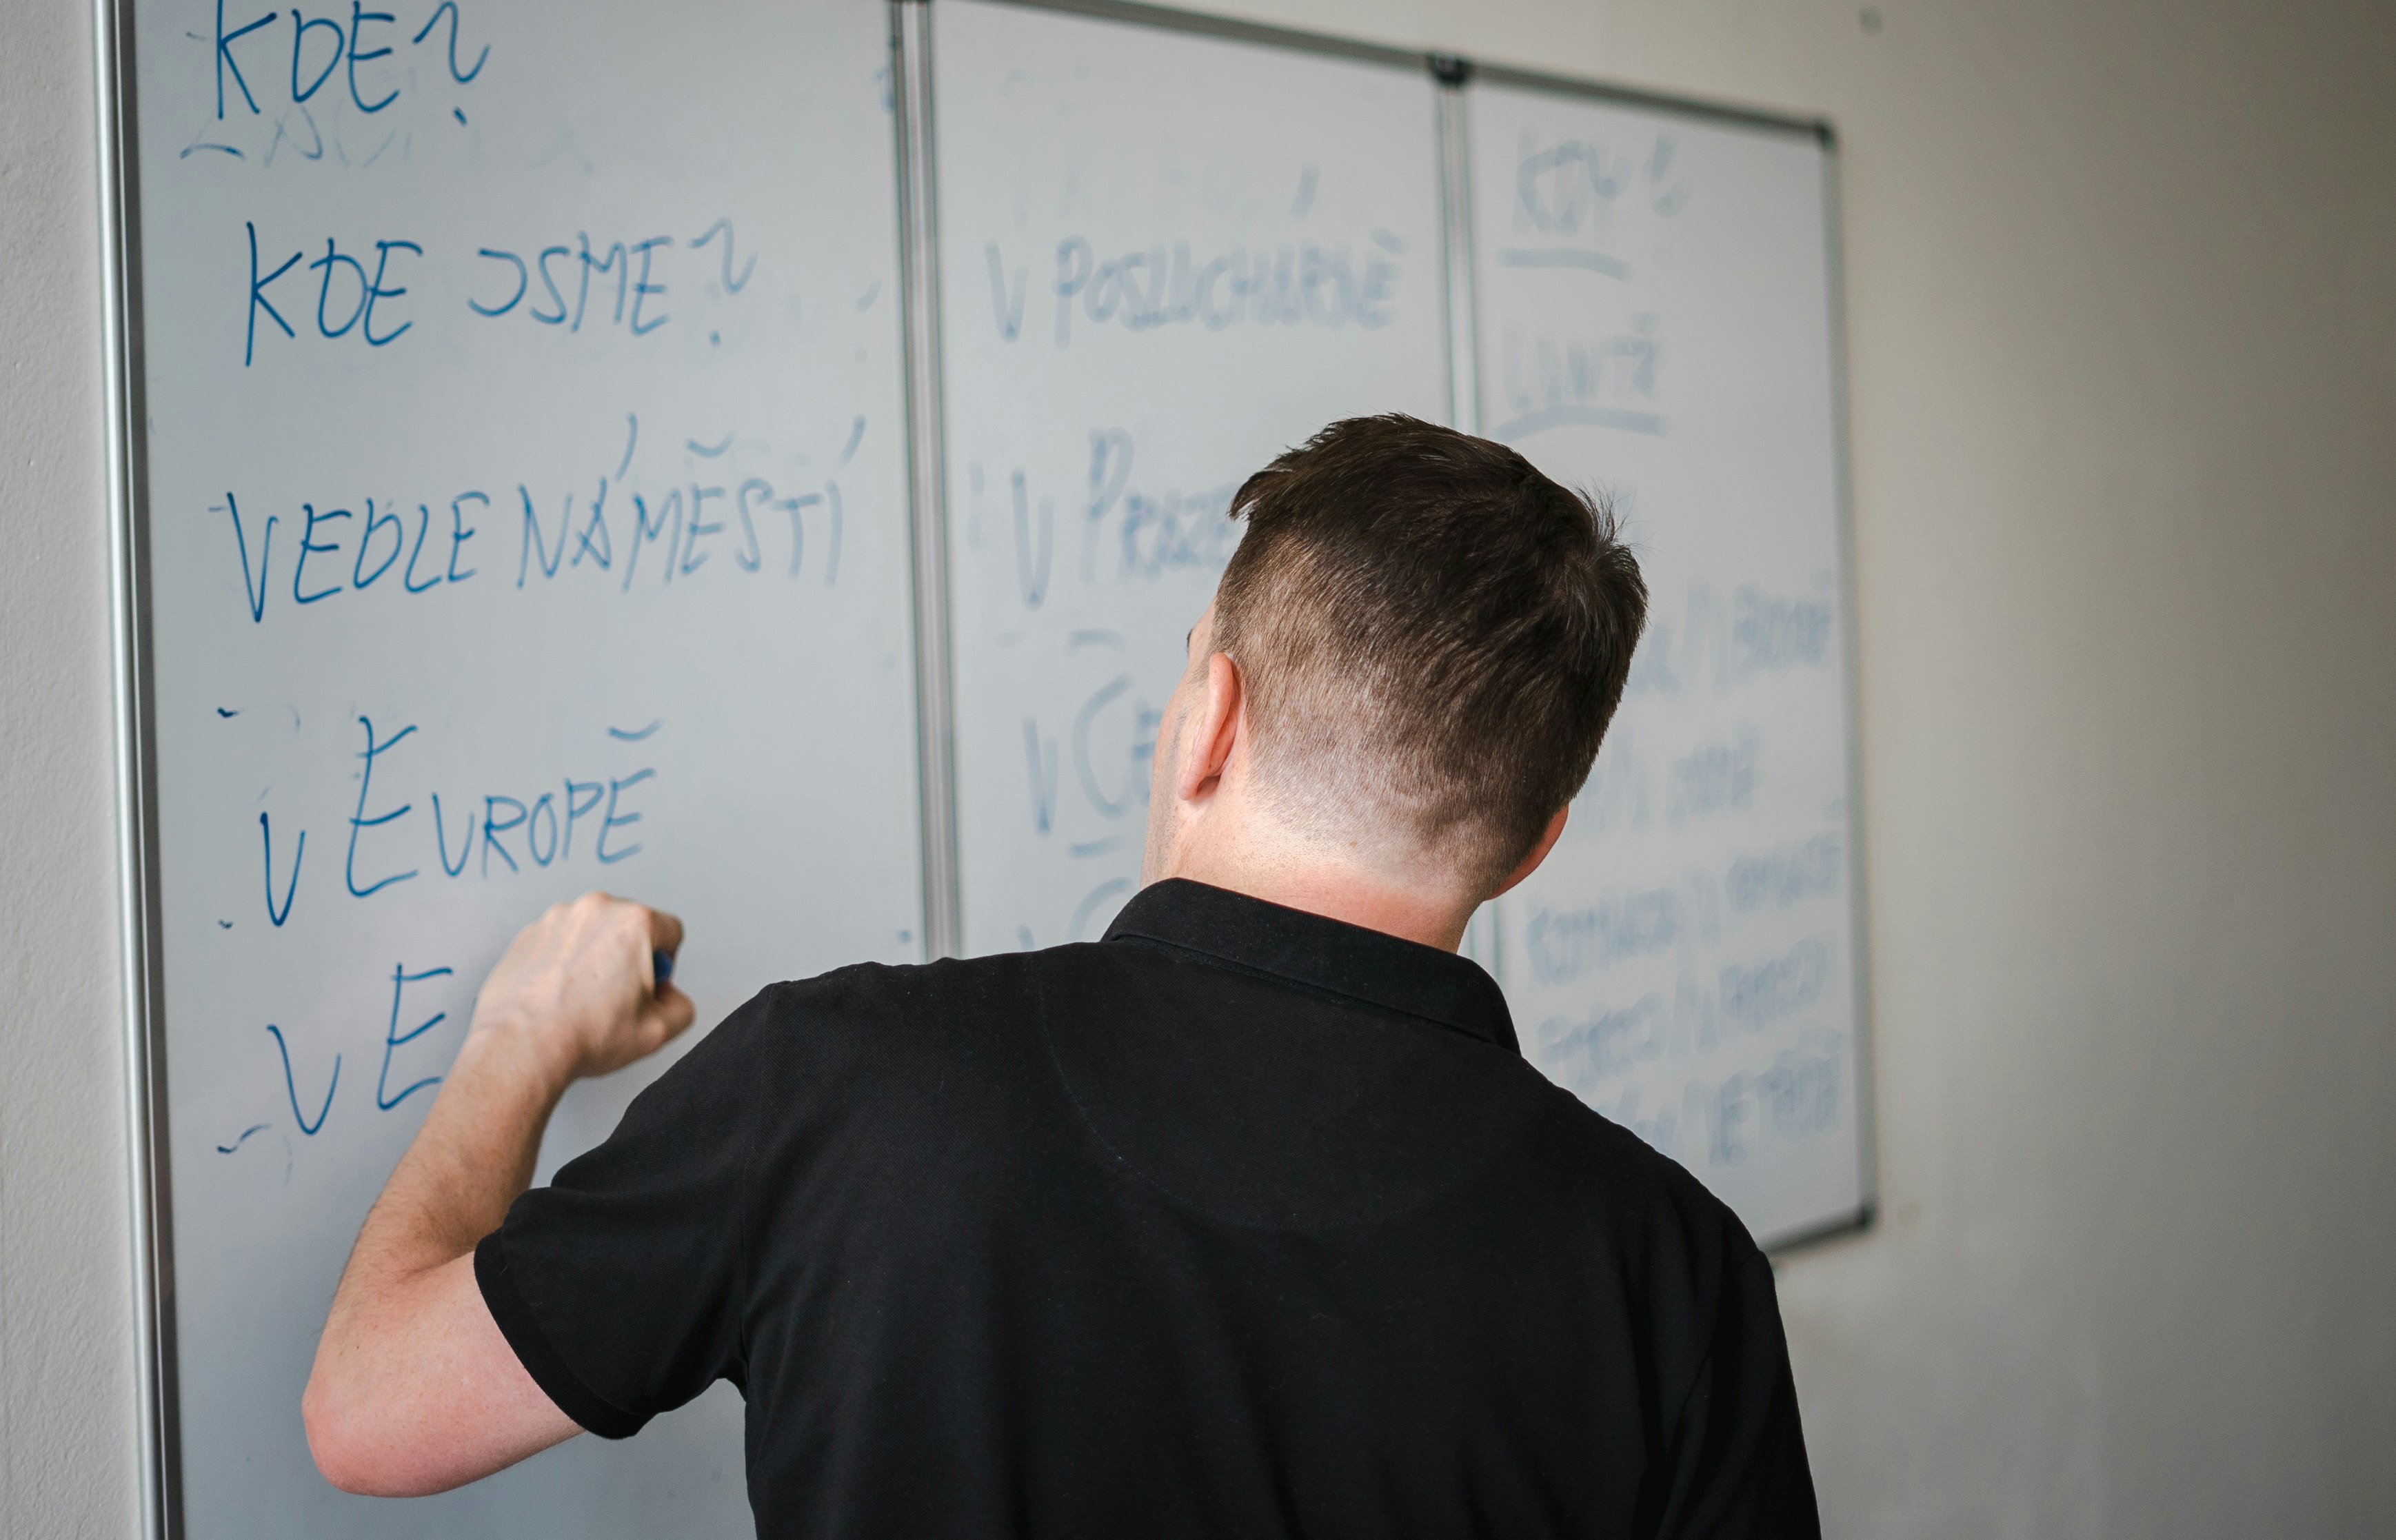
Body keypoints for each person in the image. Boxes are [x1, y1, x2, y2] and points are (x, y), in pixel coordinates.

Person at [304, 414, 1820, 1537]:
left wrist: (516, 1039)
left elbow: (369, 1415)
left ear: (1208, 717)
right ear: (1534, 843)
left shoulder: (837, 1084)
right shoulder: (1671, 1275)